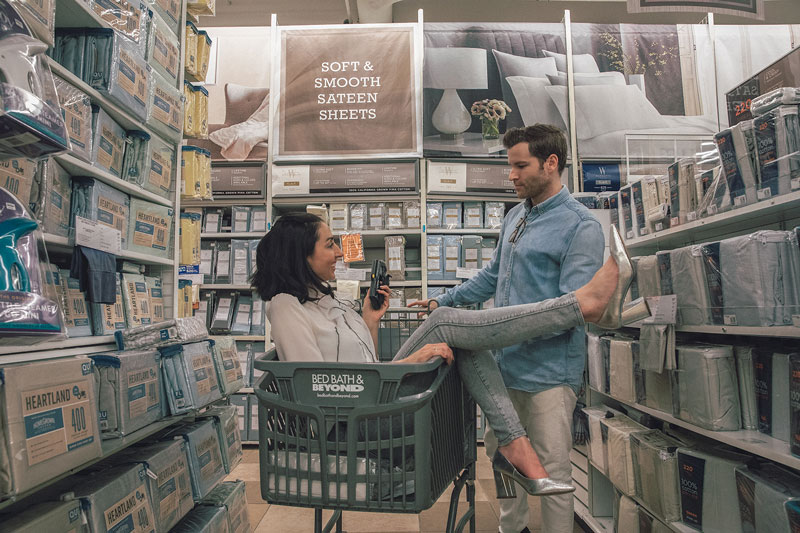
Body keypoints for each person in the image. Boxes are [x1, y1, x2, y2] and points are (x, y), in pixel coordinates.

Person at [251, 212, 632, 500]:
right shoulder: (286, 306)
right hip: (347, 427)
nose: (339, 252)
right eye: (329, 244)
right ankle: (581, 305)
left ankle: (513, 446)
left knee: (460, 340)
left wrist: (370, 320)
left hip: (371, 401)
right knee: (445, 320)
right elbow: (320, 388)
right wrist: (405, 366)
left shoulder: (326, 299)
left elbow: (359, 364)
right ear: (301, 255)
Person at [412, 124, 605, 533]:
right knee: (501, 455)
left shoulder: (581, 226)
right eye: (510, 166)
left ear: (551, 164)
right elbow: (491, 276)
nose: (512, 175)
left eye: (521, 166)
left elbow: (572, 307)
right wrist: (443, 302)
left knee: (552, 468)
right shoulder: (516, 216)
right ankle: (511, 528)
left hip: (550, 372)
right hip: (503, 366)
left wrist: (497, 329)